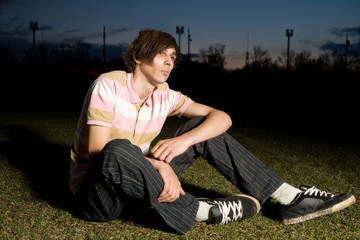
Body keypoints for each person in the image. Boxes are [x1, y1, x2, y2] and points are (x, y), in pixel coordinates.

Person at [69, 29, 356, 235]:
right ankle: (198, 210)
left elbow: (221, 117)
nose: (170, 61)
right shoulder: (109, 85)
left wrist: (185, 140)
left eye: (173, 56)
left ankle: (287, 198)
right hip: (98, 196)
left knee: (202, 128)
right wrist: (158, 165)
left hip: (142, 186)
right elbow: (99, 154)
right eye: (161, 54)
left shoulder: (165, 95)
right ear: (137, 56)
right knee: (119, 148)